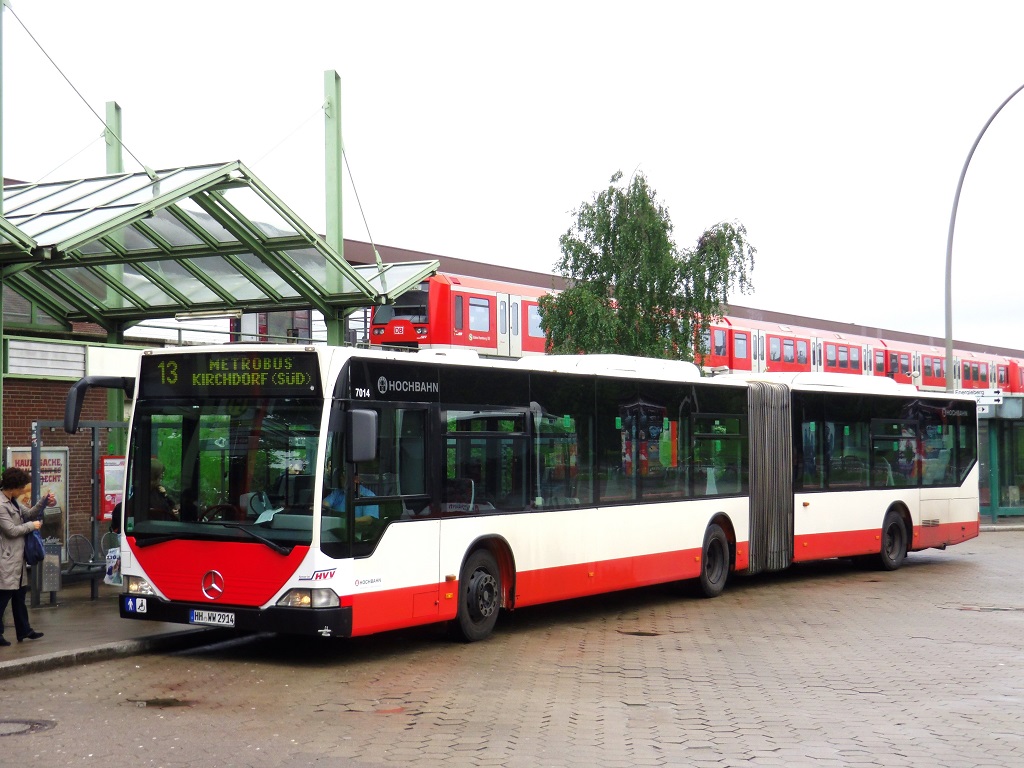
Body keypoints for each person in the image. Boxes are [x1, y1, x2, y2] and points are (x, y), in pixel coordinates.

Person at [0, 467, 56, 645]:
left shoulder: (14, 502)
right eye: (21, 487)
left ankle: (24, 630)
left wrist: (44, 501)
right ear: (13, 486)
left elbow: (30, 513)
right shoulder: (1, 505)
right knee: (2, 599)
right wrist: (32, 526)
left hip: (17, 560)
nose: (23, 490)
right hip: (6, 559)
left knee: (19, 597)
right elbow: (11, 531)